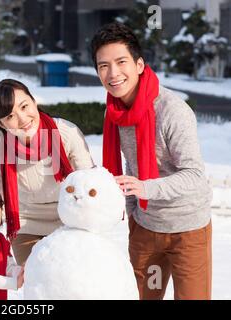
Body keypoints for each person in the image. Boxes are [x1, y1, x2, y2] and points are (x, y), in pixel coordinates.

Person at [90, 22, 213, 300]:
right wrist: (133, 211)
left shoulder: (173, 111)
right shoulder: (116, 113)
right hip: (146, 227)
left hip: (188, 229)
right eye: (103, 66)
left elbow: (194, 174)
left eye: (121, 62)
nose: (113, 73)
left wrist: (145, 189)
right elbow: (129, 164)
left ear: (140, 64)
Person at [0, 79, 95, 265]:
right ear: (2, 124)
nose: (22, 119)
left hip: (71, 219)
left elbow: (91, 181)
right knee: (37, 280)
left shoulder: (66, 133)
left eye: (24, 106)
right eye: (10, 116)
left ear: (34, 101)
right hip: (26, 225)